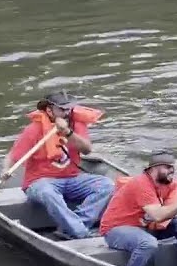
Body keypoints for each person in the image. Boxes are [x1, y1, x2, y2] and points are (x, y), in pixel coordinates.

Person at [7, 90, 115, 239]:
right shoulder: (34, 129)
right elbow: (13, 155)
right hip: (39, 182)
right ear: (49, 110)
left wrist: (67, 132)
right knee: (47, 192)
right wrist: (6, 171)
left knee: (106, 184)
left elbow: (87, 150)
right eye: (62, 109)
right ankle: (80, 232)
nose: (66, 113)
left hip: (72, 179)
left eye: (68, 109)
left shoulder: (76, 124)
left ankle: (73, 227)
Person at [98, 150, 177, 266]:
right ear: (154, 168)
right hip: (117, 229)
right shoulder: (141, 184)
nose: (172, 171)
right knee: (147, 243)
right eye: (168, 167)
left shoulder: (165, 182)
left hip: (145, 226)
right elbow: (158, 216)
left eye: (172, 167)